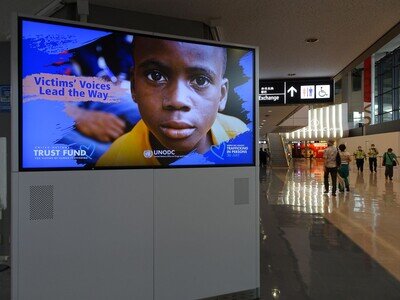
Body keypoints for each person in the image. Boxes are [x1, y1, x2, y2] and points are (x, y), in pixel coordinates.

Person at [97, 36, 248, 166]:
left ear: (221, 95)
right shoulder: (113, 160)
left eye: (201, 81)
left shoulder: (240, 135)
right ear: (134, 87)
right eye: (155, 76)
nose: (177, 100)